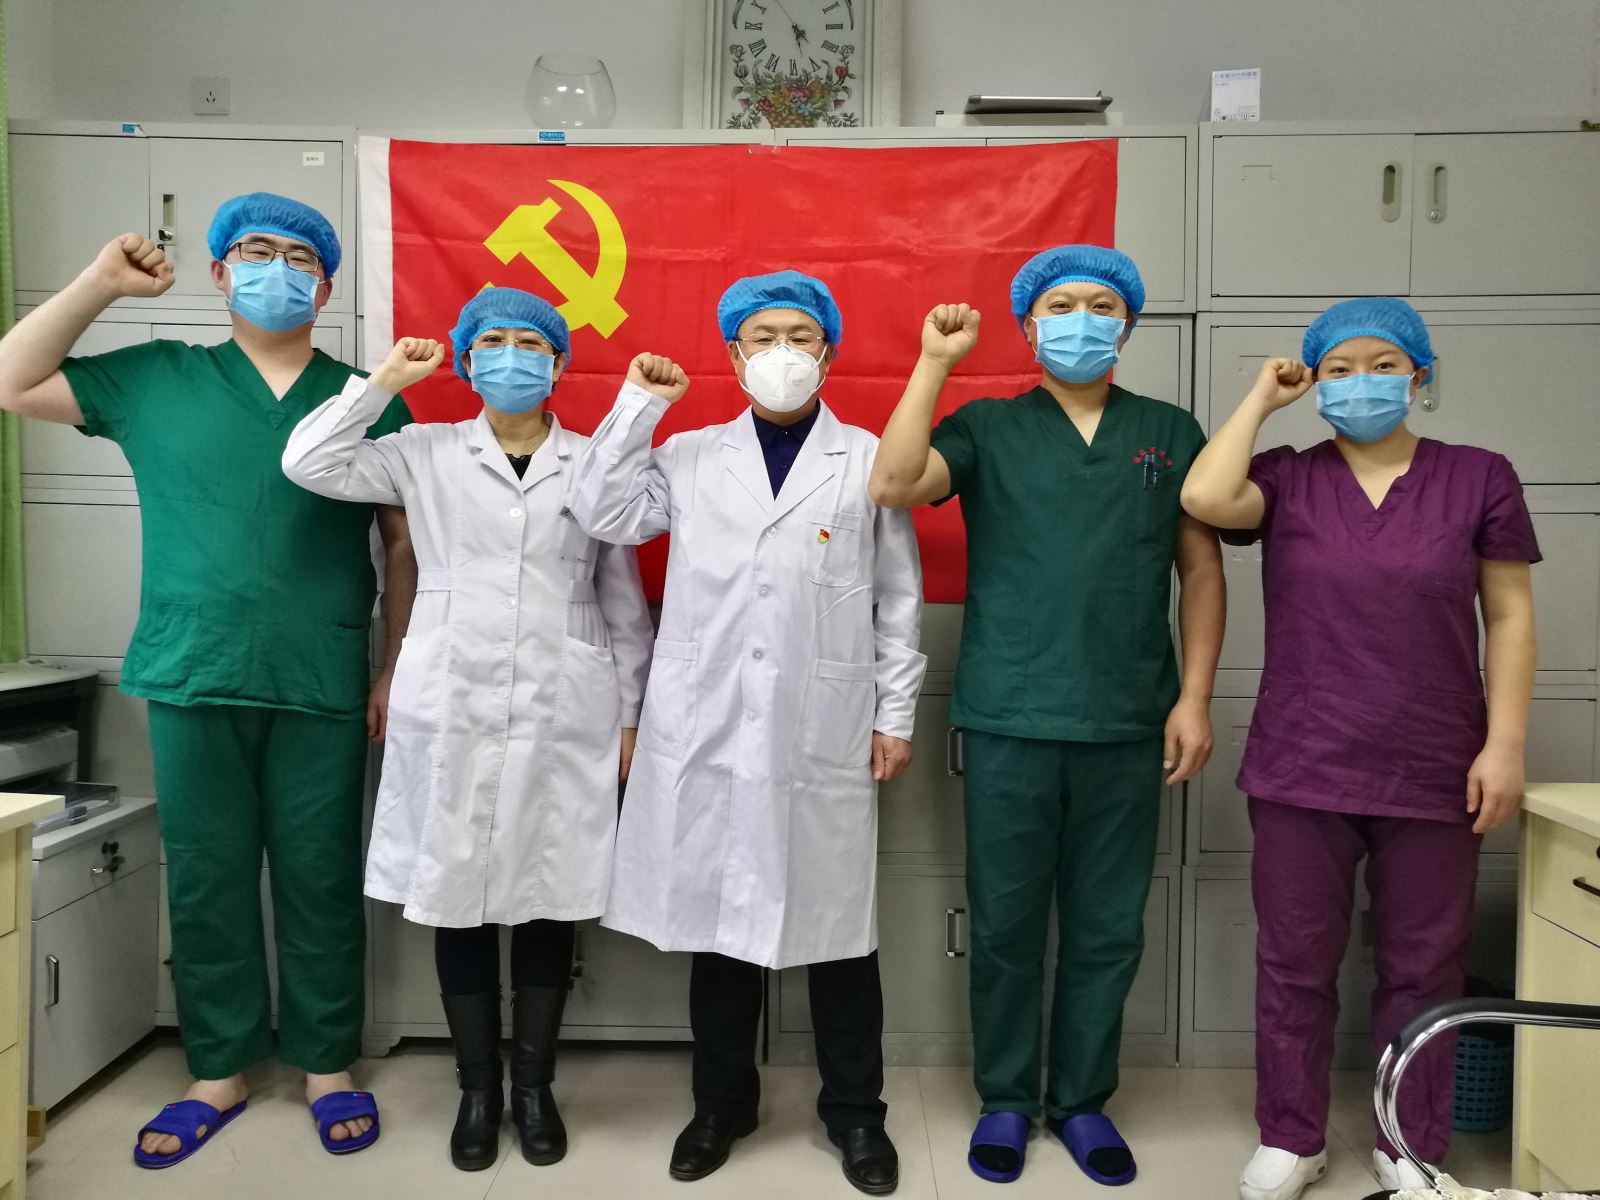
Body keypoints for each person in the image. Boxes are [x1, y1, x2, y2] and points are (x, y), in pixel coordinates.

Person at [0, 193, 415, 1165]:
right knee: (207, 875)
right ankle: (219, 1067)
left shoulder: (368, 396)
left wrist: (392, 666)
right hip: (193, 672)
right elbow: (14, 380)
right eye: (258, 252)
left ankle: (326, 1063)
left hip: (319, 674)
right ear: (221, 273)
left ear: (326, 286)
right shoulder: (158, 378)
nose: (279, 270)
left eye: (301, 258)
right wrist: (101, 284)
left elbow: (403, 546)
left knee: (320, 876)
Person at [868, 245, 1224, 1187]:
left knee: (1108, 927)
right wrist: (933, 362)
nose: (1080, 321)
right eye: (1060, 307)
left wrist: (1193, 697)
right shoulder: (988, 426)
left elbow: (1200, 571)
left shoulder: (1167, 430)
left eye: (1101, 306)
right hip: (1010, 717)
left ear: (1127, 324)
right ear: (1028, 326)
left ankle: (1081, 1103)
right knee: (1005, 925)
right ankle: (1006, 1098)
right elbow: (894, 484)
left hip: (1127, 720)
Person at [568, 271, 926, 1195]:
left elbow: (897, 598)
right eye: (763, 336)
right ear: (732, 354)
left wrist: (893, 712)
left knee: (840, 932)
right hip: (710, 727)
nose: (782, 353)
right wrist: (637, 405)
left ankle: (857, 1114)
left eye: (800, 336)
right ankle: (721, 1105)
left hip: (822, 728)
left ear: (828, 353)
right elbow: (601, 511)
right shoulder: (688, 456)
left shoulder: (866, 458)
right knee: (720, 925)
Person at [282, 287, 652, 1172]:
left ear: (559, 364)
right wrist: (382, 382)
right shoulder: (423, 451)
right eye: (493, 341)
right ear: (468, 359)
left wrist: (631, 713)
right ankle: (478, 1089)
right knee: (458, 891)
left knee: (551, 892)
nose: (512, 356)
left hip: (567, 704)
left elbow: (622, 599)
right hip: (451, 699)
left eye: (531, 343)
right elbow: (309, 461)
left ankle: (535, 1085)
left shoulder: (592, 462)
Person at [1178, 297, 1539, 1200]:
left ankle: (1409, 1141)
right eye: (1337, 369)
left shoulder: (1479, 476)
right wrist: (1263, 398)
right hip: (1304, 762)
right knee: (1293, 961)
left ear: (1420, 376)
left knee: (1424, 967)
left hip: (1435, 763)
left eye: (1383, 365)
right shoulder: (1287, 477)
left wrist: (1504, 745)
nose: (1360, 382)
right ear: (1316, 382)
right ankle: (1291, 1136)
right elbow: (1205, 497)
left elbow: (1509, 615)